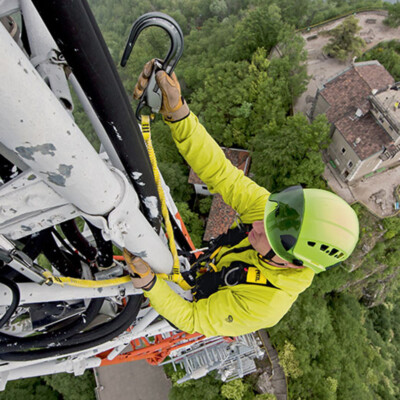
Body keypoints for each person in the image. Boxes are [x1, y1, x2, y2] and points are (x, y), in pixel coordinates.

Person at [124, 60, 359, 337]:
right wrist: (179, 114)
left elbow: (191, 318)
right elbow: (221, 173)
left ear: (292, 263)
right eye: (269, 219)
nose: (257, 225)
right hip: (205, 266)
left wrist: (151, 285)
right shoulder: (274, 214)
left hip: (198, 303)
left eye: (269, 235)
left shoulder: (266, 304)